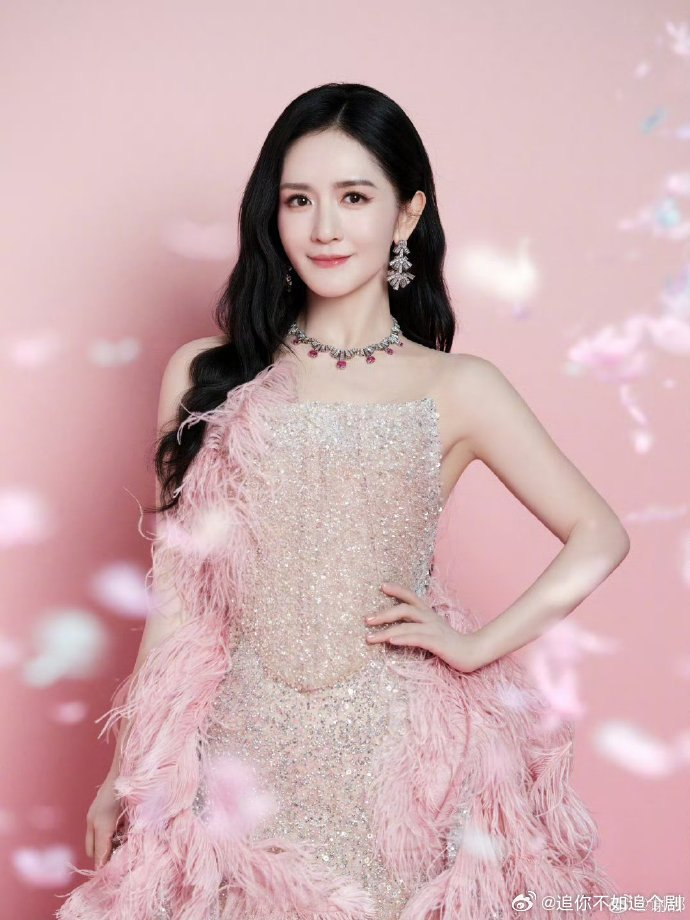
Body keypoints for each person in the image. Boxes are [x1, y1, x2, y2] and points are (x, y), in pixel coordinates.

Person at [56, 82, 629, 920]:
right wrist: (128, 770)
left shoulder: (460, 387)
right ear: (273, 214)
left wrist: (477, 645)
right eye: (299, 200)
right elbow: (180, 597)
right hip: (238, 758)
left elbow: (599, 533)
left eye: (354, 197)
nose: (324, 227)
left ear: (406, 214)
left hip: (398, 764)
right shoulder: (208, 375)